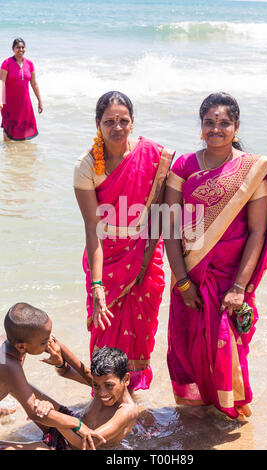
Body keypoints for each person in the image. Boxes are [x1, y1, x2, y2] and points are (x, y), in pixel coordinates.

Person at [164, 92, 267, 419]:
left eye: (224, 123)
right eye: (209, 122)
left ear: (236, 126)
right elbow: (170, 229)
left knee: (225, 349)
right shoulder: (184, 166)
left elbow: (257, 232)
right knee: (188, 349)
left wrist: (240, 287)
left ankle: (230, 415)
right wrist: (183, 283)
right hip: (189, 275)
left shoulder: (251, 172)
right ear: (201, 126)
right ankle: (197, 415)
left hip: (229, 280)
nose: (216, 129)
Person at [74, 91, 174, 392]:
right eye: (109, 121)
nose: (117, 127)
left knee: (140, 333)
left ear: (132, 123)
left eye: (123, 120)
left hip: (146, 255)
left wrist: (149, 260)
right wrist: (97, 284)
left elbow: (164, 214)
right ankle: (104, 395)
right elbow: (92, 229)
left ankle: (131, 399)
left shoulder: (155, 156)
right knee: (104, 330)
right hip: (107, 257)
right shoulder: (87, 166)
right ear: (97, 124)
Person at [0, 303, 103, 450]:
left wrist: (60, 360)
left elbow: (13, 385)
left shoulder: (12, 340)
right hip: (10, 378)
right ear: (21, 347)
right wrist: (77, 424)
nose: (50, 342)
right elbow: (35, 414)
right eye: (44, 342)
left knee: (23, 388)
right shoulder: (10, 365)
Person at [1, 343, 138, 450]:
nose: (101, 392)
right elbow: (65, 371)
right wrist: (58, 359)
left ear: (126, 379)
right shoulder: (102, 380)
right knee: (12, 380)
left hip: (70, 445)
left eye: (109, 385)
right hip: (69, 420)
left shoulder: (126, 410)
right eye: (95, 385)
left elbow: (85, 445)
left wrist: (55, 419)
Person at [0, 38, 43, 141]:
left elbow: (34, 83)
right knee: (8, 129)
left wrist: (39, 101)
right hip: (9, 102)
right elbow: (2, 82)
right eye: (18, 47)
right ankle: (7, 151)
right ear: (13, 49)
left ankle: (20, 153)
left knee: (23, 131)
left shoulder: (30, 64)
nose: (20, 49)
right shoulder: (7, 63)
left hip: (24, 103)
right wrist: (0, 100)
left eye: (23, 47)